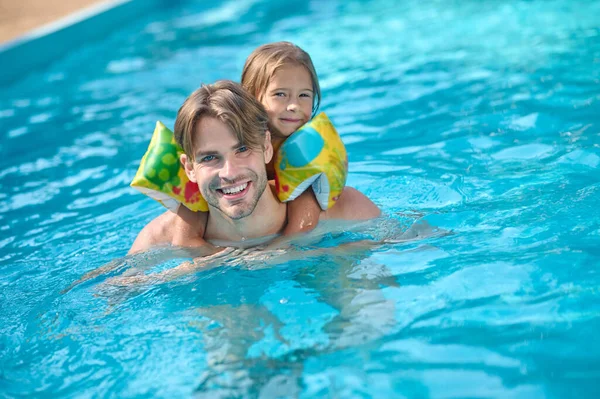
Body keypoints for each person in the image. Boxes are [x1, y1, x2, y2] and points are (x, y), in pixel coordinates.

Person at [128, 80, 379, 254]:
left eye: (242, 149)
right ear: (189, 168)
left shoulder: (344, 210)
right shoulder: (159, 239)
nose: (230, 173)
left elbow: (409, 245)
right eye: (209, 158)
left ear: (267, 146)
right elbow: (109, 294)